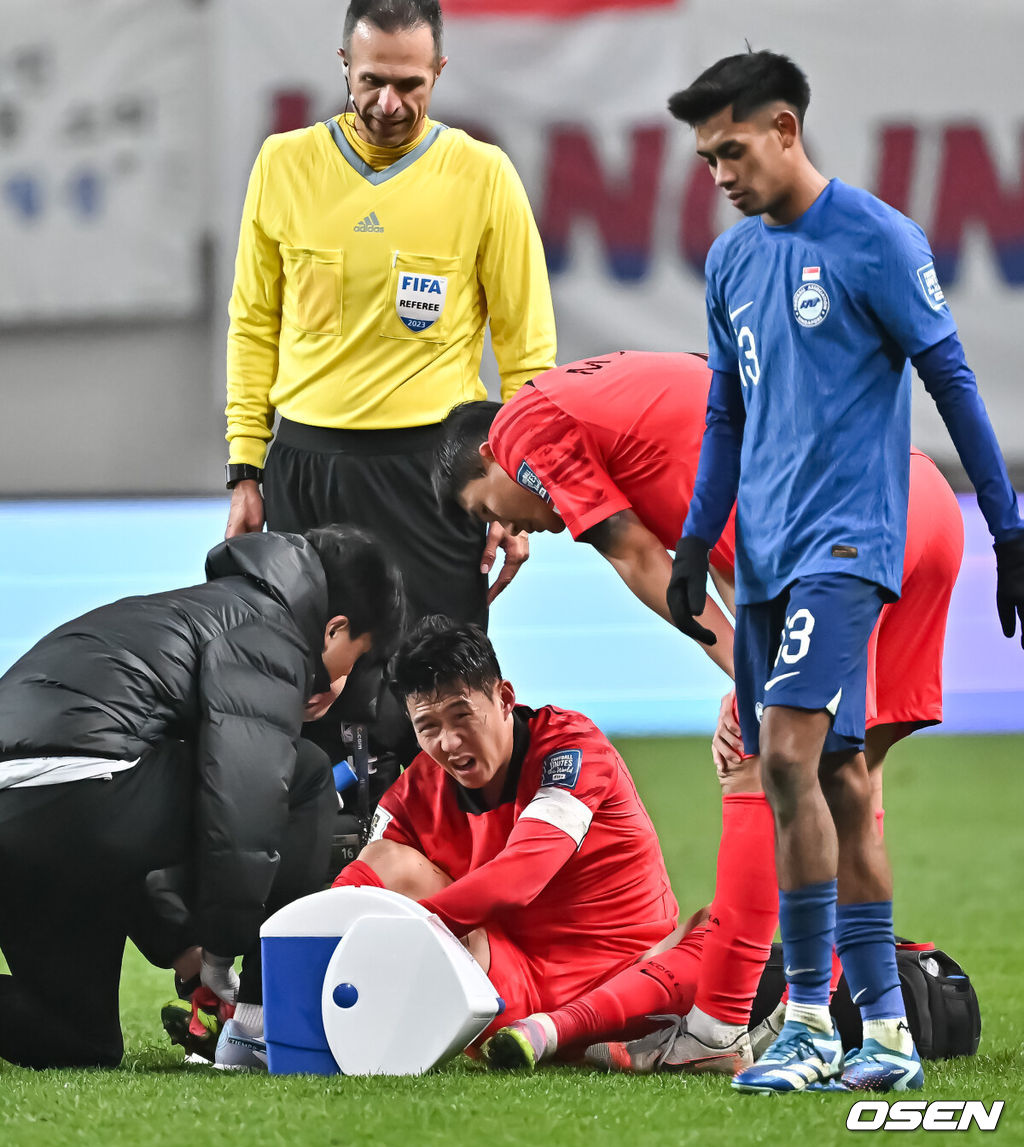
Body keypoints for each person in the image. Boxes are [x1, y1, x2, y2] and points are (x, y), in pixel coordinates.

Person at [431, 349, 964, 1072]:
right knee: (846, 779)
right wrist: (753, 670)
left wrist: (754, 679)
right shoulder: (626, 399)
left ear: (493, 459)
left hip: (834, 529)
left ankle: (715, 1029)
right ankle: (855, 1015)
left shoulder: (525, 423)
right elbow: (723, 552)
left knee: (758, 759)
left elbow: (637, 557)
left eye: (494, 511)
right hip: (920, 499)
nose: (525, 529)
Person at [662, 50, 1024, 1094]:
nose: (719, 173)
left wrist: (1004, 529)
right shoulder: (732, 263)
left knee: (783, 760)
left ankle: (810, 1019)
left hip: (847, 547)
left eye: (731, 149)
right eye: (705, 157)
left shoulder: (874, 239)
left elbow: (949, 379)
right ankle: (890, 1039)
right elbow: (726, 411)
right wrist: (696, 541)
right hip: (765, 557)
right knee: (842, 782)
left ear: (785, 128)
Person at [0, 525, 404, 1070]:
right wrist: (220, 952)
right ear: (334, 629)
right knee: (305, 773)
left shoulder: (207, 607)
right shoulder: (271, 632)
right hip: (81, 792)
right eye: (353, 662)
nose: (342, 681)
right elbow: (242, 808)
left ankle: (206, 1003)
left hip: (35, 819)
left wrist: (185, 951)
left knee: (76, 1041)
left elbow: (128, 825)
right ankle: (261, 1022)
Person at [223, 0, 556, 628]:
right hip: (304, 470)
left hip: (431, 475)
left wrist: (516, 487)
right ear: (345, 64)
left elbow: (526, 349)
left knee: (437, 693)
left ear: (440, 71)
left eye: (410, 84)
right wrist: (245, 468)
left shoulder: (483, 175)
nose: (388, 103)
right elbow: (253, 324)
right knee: (311, 694)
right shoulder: (282, 164)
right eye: (372, 80)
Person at [330, 616, 777, 1074]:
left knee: (723, 926)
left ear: (504, 698)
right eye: (428, 727)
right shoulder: (419, 788)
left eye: (462, 715)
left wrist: (410, 931)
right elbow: (352, 892)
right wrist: (312, 951)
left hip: (632, 977)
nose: (449, 741)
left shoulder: (570, 750)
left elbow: (518, 879)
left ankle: (566, 1031)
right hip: (507, 991)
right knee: (387, 864)